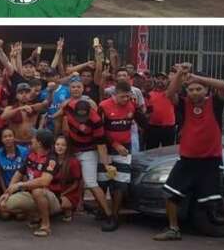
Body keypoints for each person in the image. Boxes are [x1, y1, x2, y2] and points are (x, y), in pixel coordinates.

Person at [153, 65, 224, 244]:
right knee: (170, 195)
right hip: (186, 160)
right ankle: (173, 229)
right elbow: (170, 94)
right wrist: (180, 74)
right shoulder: (185, 105)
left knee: (215, 202)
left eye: (198, 89)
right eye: (191, 89)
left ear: (206, 90)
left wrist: (195, 77)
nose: (194, 92)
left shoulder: (215, 104)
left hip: (210, 162)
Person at [56, 88, 118, 231]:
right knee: (65, 176)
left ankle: (110, 216)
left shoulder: (95, 120)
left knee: (90, 182)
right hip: (71, 149)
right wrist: (54, 116)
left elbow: (101, 144)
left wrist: (106, 164)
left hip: (88, 151)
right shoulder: (69, 107)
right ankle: (69, 208)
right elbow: (61, 112)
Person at [97, 81, 147, 228]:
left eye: (128, 96)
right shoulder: (104, 106)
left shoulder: (132, 105)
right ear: (115, 95)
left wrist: (137, 108)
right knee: (103, 181)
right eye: (123, 97)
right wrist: (114, 144)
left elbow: (145, 123)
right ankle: (102, 210)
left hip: (125, 148)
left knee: (121, 183)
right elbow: (99, 132)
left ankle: (114, 216)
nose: (126, 99)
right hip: (106, 148)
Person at [0, 129, 60, 237]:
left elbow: (45, 181)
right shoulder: (31, 155)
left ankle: (45, 225)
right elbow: (19, 174)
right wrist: (7, 192)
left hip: (51, 198)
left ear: (39, 143)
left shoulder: (51, 159)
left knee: (37, 190)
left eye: (34, 139)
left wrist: (20, 185)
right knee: (3, 204)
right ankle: (36, 215)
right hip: (31, 194)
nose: (31, 140)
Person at [49, 135, 82, 222]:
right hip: (52, 191)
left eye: (63, 145)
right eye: (57, 144)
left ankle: (67, 209)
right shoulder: (50, 160)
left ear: (67, 147)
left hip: (68, 193)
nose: (60, 147)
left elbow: (77, 183)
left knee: (56, 205)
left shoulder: (73, 162)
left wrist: (63, 193)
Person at [144, 71, 176, 149]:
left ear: (168, 80)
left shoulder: (171, 93)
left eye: (163, 79)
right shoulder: (149, 94)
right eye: (158, 78)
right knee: (151, 151)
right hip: (152, 127)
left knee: (168, 152)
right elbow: (146, 111)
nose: (160, 81)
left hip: (168, 127)